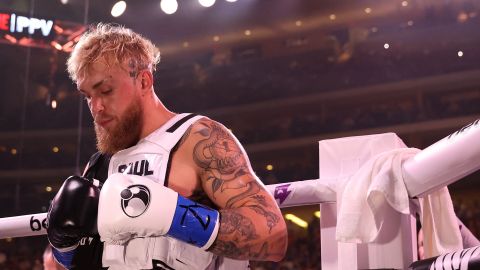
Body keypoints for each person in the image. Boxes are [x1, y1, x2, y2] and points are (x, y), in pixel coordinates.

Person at [46, 23, 287, 270]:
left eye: (106, 91)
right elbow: (62, 265)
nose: (96, 108)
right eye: (88, 96)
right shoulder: (99, 165)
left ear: (143, 81)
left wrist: (175, 216)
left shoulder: (197, 138)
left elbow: (272, 237)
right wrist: (63, 249)